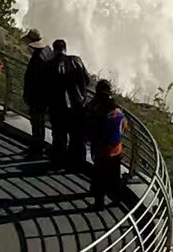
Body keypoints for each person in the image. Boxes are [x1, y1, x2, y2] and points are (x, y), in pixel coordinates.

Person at [46, 39, 90, 167]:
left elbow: (47, 86)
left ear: (54, 50)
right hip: (77, 104)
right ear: (65, 49)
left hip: (57, 106)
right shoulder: (76, 60)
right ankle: (77, 161)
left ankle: (59, 160)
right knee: (77, 135)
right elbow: (86, 80)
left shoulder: (50, 65)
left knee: (59, 134)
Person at [85, 80, 128, 210]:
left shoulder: (97, 109)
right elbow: (124, 126)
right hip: (116, 148)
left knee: (99, 175)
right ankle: (117, 199)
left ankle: (99, 203)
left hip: (102, 149)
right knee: (114, 175)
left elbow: (91, 127)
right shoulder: (117, 110)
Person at [22, 30, 54, 155]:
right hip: (45, 95)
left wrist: (29, 95)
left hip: (37, 96)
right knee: (40, 122)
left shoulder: (37, 59)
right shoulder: (47, 51)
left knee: (37, 123)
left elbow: (34, 80)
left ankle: (36, 148)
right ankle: (37, 146)